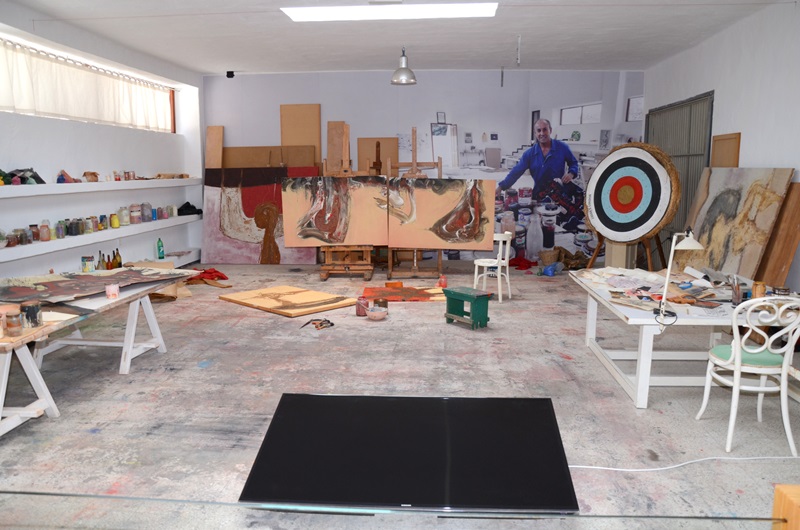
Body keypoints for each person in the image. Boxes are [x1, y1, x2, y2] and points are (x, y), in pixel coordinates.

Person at [495, 118, 579, 197]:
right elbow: (515, 172)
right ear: (535, 133)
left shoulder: (562, 147)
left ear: (550, 130)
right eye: (539, 130)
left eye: (545, 129)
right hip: (539, 194)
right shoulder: (529, 154)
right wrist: (501, 187)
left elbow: (573, 163)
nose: (542, 133)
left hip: (560, 195)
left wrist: (571, 173)